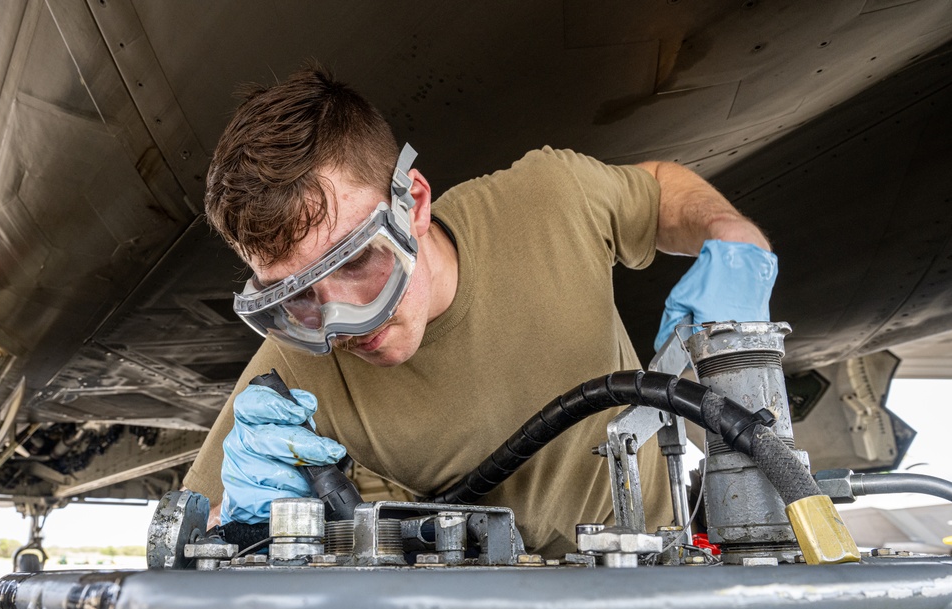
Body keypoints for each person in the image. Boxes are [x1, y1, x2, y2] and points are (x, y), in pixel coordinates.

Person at [182, 65, 777, 557]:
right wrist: (240, 521)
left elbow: (656, 190)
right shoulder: (288, 379)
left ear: (412, 202)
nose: (343, 322)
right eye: (295, 295)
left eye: (357, 261)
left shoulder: (549, 202)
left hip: (667, 574)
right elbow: (190, 533)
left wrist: (735, 243)